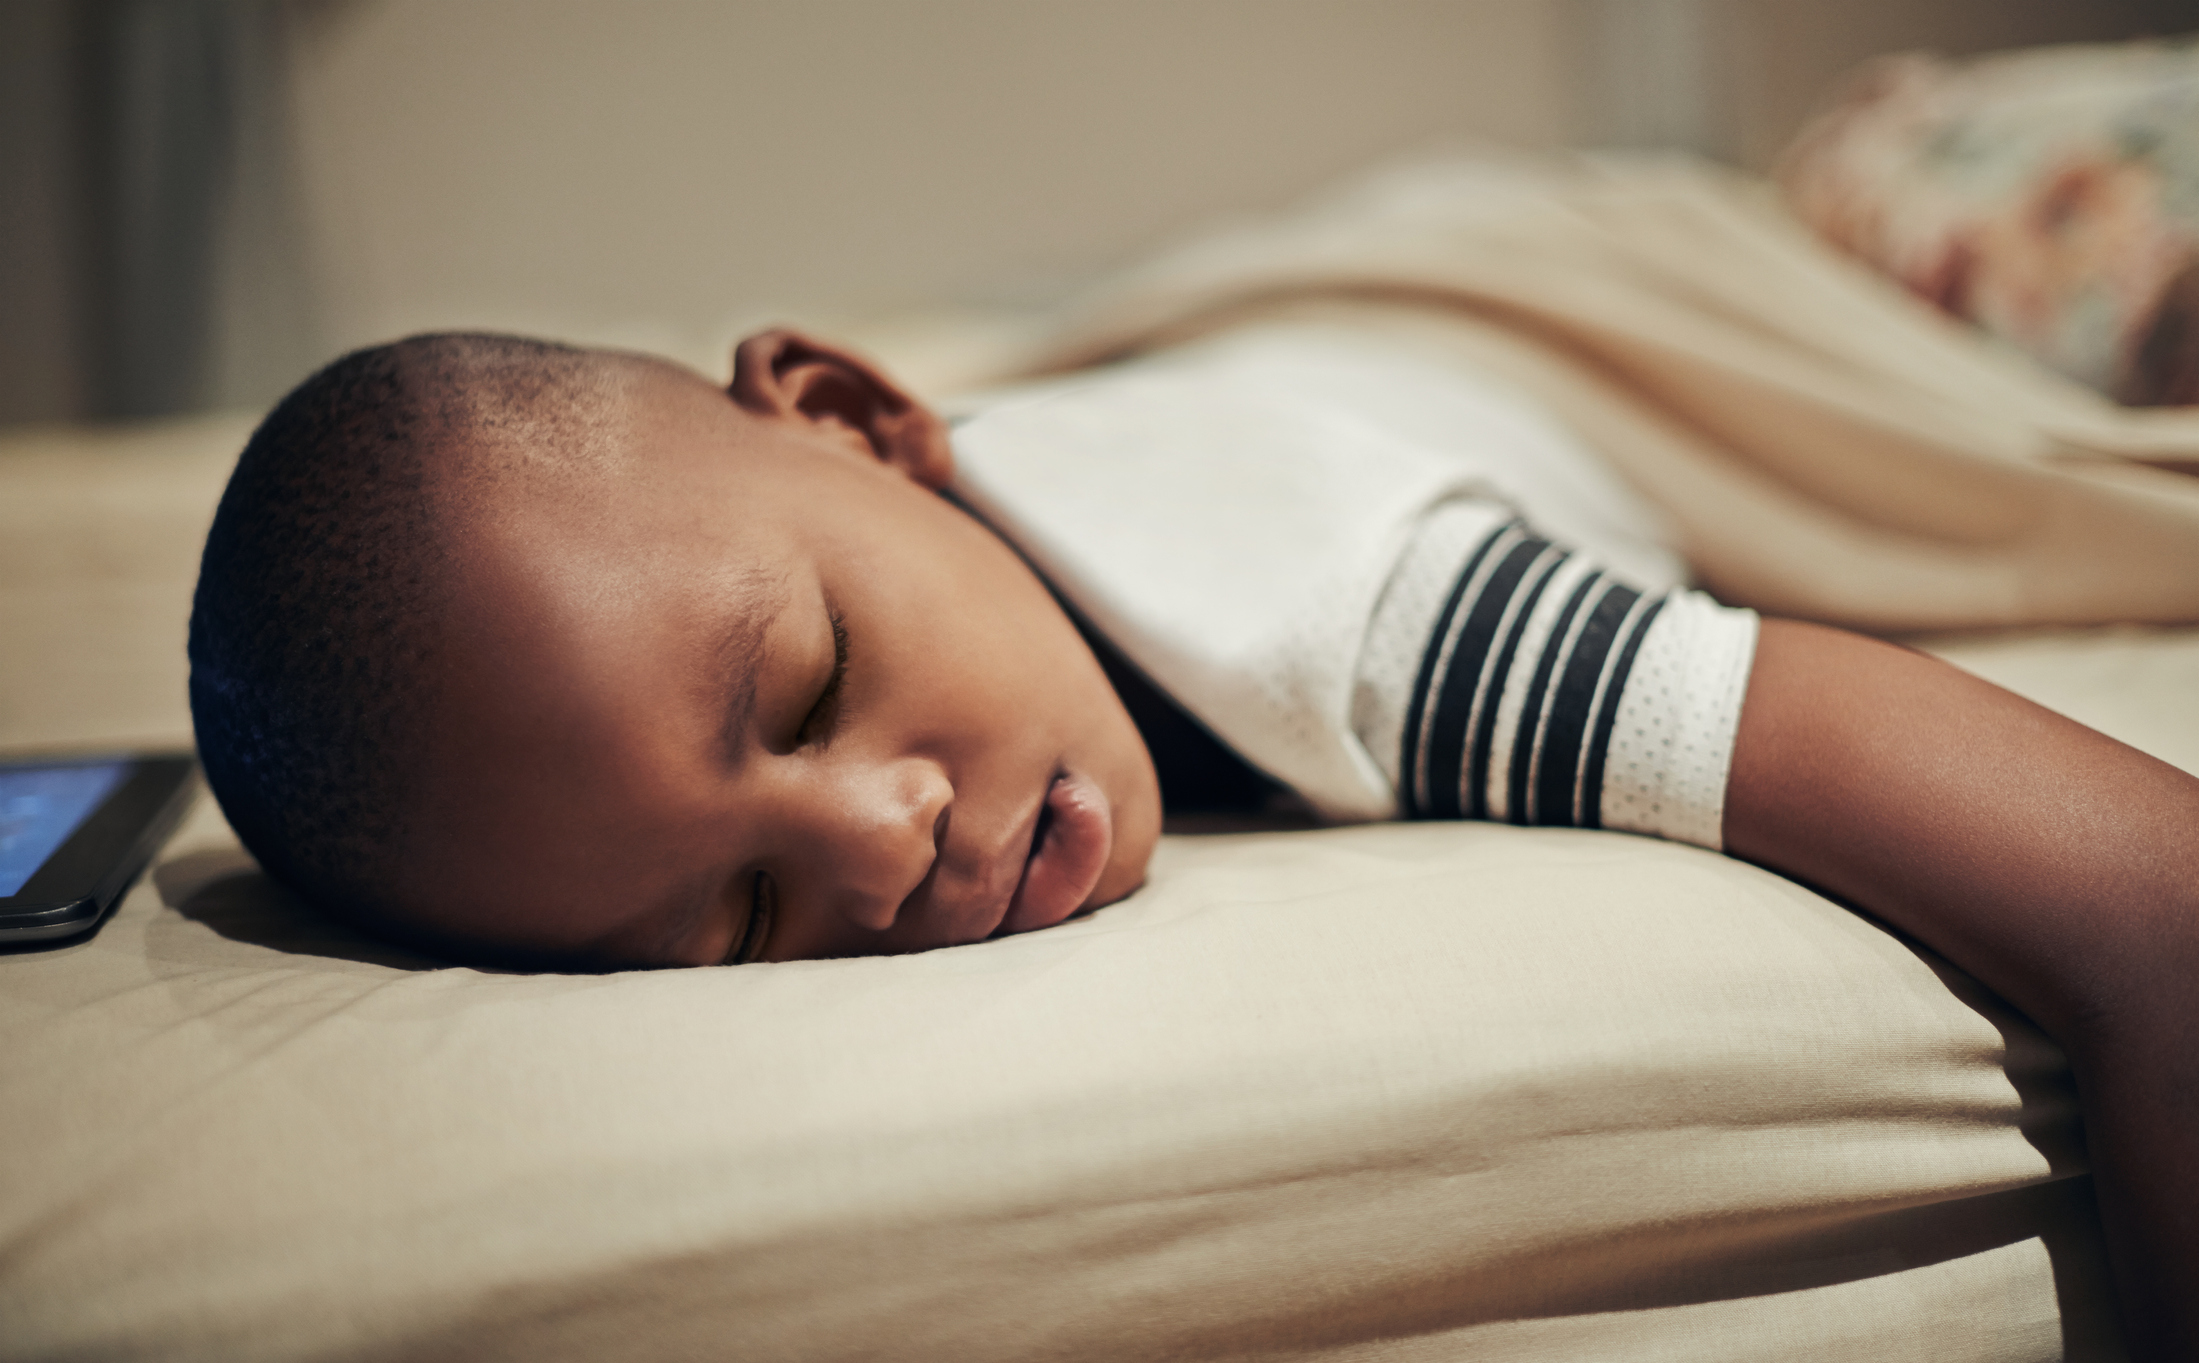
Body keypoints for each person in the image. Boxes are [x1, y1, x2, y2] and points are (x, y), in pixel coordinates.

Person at [188, 326, 2196, 1353]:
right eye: (736, 911)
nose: (875, 846)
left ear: (856, 413)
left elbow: (2150, 905)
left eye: (803, 689)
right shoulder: (912, 564)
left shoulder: (1340, 605)